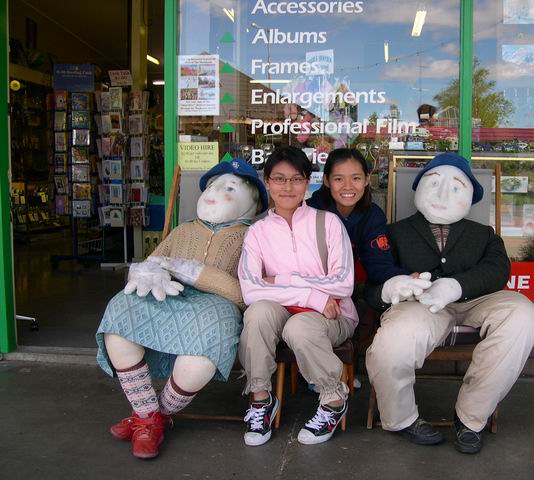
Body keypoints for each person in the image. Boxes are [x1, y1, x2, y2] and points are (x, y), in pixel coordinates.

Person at [365, 152, 534, 454]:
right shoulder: (394, 233)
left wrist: (457, 286)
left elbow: (498, 270)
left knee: (523, 316)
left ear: (470, 197)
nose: (443, 194)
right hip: (420, 305)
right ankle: (401, 418)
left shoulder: (484, 234)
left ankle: (471, 417)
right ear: (418, 188)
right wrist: (392, 287)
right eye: (433, 183)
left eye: (456, 187)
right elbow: (372, 285)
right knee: (392, 343)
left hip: (476, 300)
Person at [96, 159, 268, 459]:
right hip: (168, 296)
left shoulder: (255, 236)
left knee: (207, 341)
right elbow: (153, 261)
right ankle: (149, 417)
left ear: (252, 204)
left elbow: (247, 294)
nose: (215, 192)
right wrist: (146, 273)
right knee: (122, 307)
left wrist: (195, 272)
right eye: (212, 186)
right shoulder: (182, 229)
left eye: (230, 188)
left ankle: (150, 418)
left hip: (215, 306)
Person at [238, 146, 357, 447]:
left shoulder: (328, 223)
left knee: (299, 326)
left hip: (334, 315)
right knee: (257, 313)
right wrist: (312, 296)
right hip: (293, 309)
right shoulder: (257, 231)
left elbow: (343, 284)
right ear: (267, 182)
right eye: (279, 179)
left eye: (296, 179)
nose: (287, 187)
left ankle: (333, 400)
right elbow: (251, 289)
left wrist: (281, 279)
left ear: (308, 182)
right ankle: (261, 399)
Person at [306, 148, 424, 352]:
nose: (348, 186)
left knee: (371, 301)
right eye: (339, 179)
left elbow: (378, 264)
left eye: (356, 178)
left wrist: (405, 277)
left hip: (350, 288)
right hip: (311, 289)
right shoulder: (310, 210)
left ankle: (360, 356)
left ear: (367, 179)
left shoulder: (372, 216)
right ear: (326, 181)